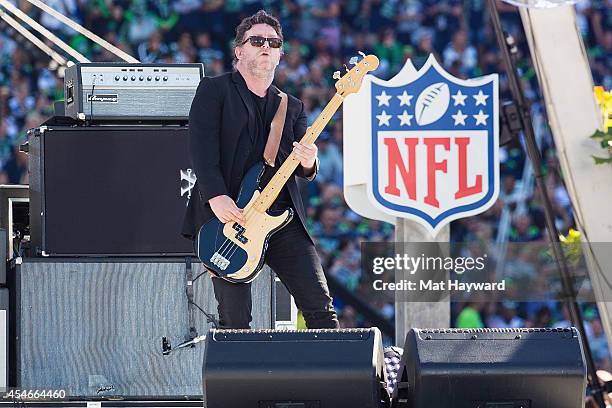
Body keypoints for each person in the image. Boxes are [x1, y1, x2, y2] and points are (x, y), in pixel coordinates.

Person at [182, 10, 339, 330]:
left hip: (281, 217)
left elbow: (304, 169)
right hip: (229, 216)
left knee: (321, 309)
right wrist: (217, 197)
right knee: (235, 319)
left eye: (273, 42)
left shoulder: (291, 106)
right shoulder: (214, 90)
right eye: (257, 40)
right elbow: (201, 149)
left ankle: (338, 381)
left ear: (281, 54)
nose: (266, 45)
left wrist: (309, 159)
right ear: (239, 50)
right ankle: (235, 381)